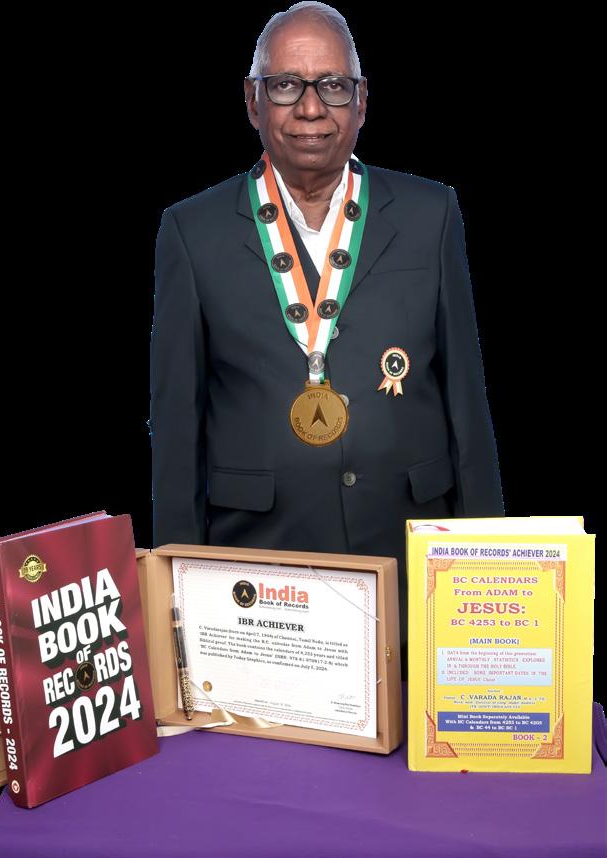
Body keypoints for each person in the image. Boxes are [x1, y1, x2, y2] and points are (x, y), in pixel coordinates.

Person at [149, 1, 504, 665]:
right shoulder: (191, 232)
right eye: (286, 85)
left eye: (333, 86)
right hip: (259, 580)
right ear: (253, 101)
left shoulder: (431, 214)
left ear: (362, 101)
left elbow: (467, 404)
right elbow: (176, 432)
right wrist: (176, 610)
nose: (311, 108)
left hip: (409, 562)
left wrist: (489, 567)